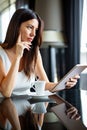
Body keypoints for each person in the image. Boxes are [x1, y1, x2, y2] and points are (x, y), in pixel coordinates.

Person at [0, 8, 80, 98]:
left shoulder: (34, 52)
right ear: (16, 27)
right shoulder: (1, 54)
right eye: (30, 27)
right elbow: (6, 92)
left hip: (27, 108)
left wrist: (63, 84)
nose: (33, 34)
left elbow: (45, 84)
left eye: (36, 29)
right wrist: (17, 57)